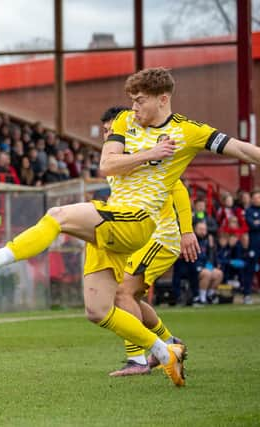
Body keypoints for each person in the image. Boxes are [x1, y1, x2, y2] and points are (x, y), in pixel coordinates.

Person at [0, 67, 260, 387]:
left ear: (163, 99)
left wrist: (185, 225)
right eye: (131, 100)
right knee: (99, 310)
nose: (134, 107)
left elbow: (241, 149)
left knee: (58, 215)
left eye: (140, 101)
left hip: (138, 221)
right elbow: (107, 165)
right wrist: (150, 154)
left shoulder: (188, 131)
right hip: (114, 219)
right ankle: (164, 351)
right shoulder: (123, 122)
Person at [98, 106, 195, 377]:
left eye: (111, 130)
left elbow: (178, 188)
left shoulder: (146, 154)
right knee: (132, 297)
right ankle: (169, 343)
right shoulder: (117, 159)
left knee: (122, 293)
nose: (108, 135)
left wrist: (186, 231)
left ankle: (137, 360)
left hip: (160, 236)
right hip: (138, 238)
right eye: (106, 131)